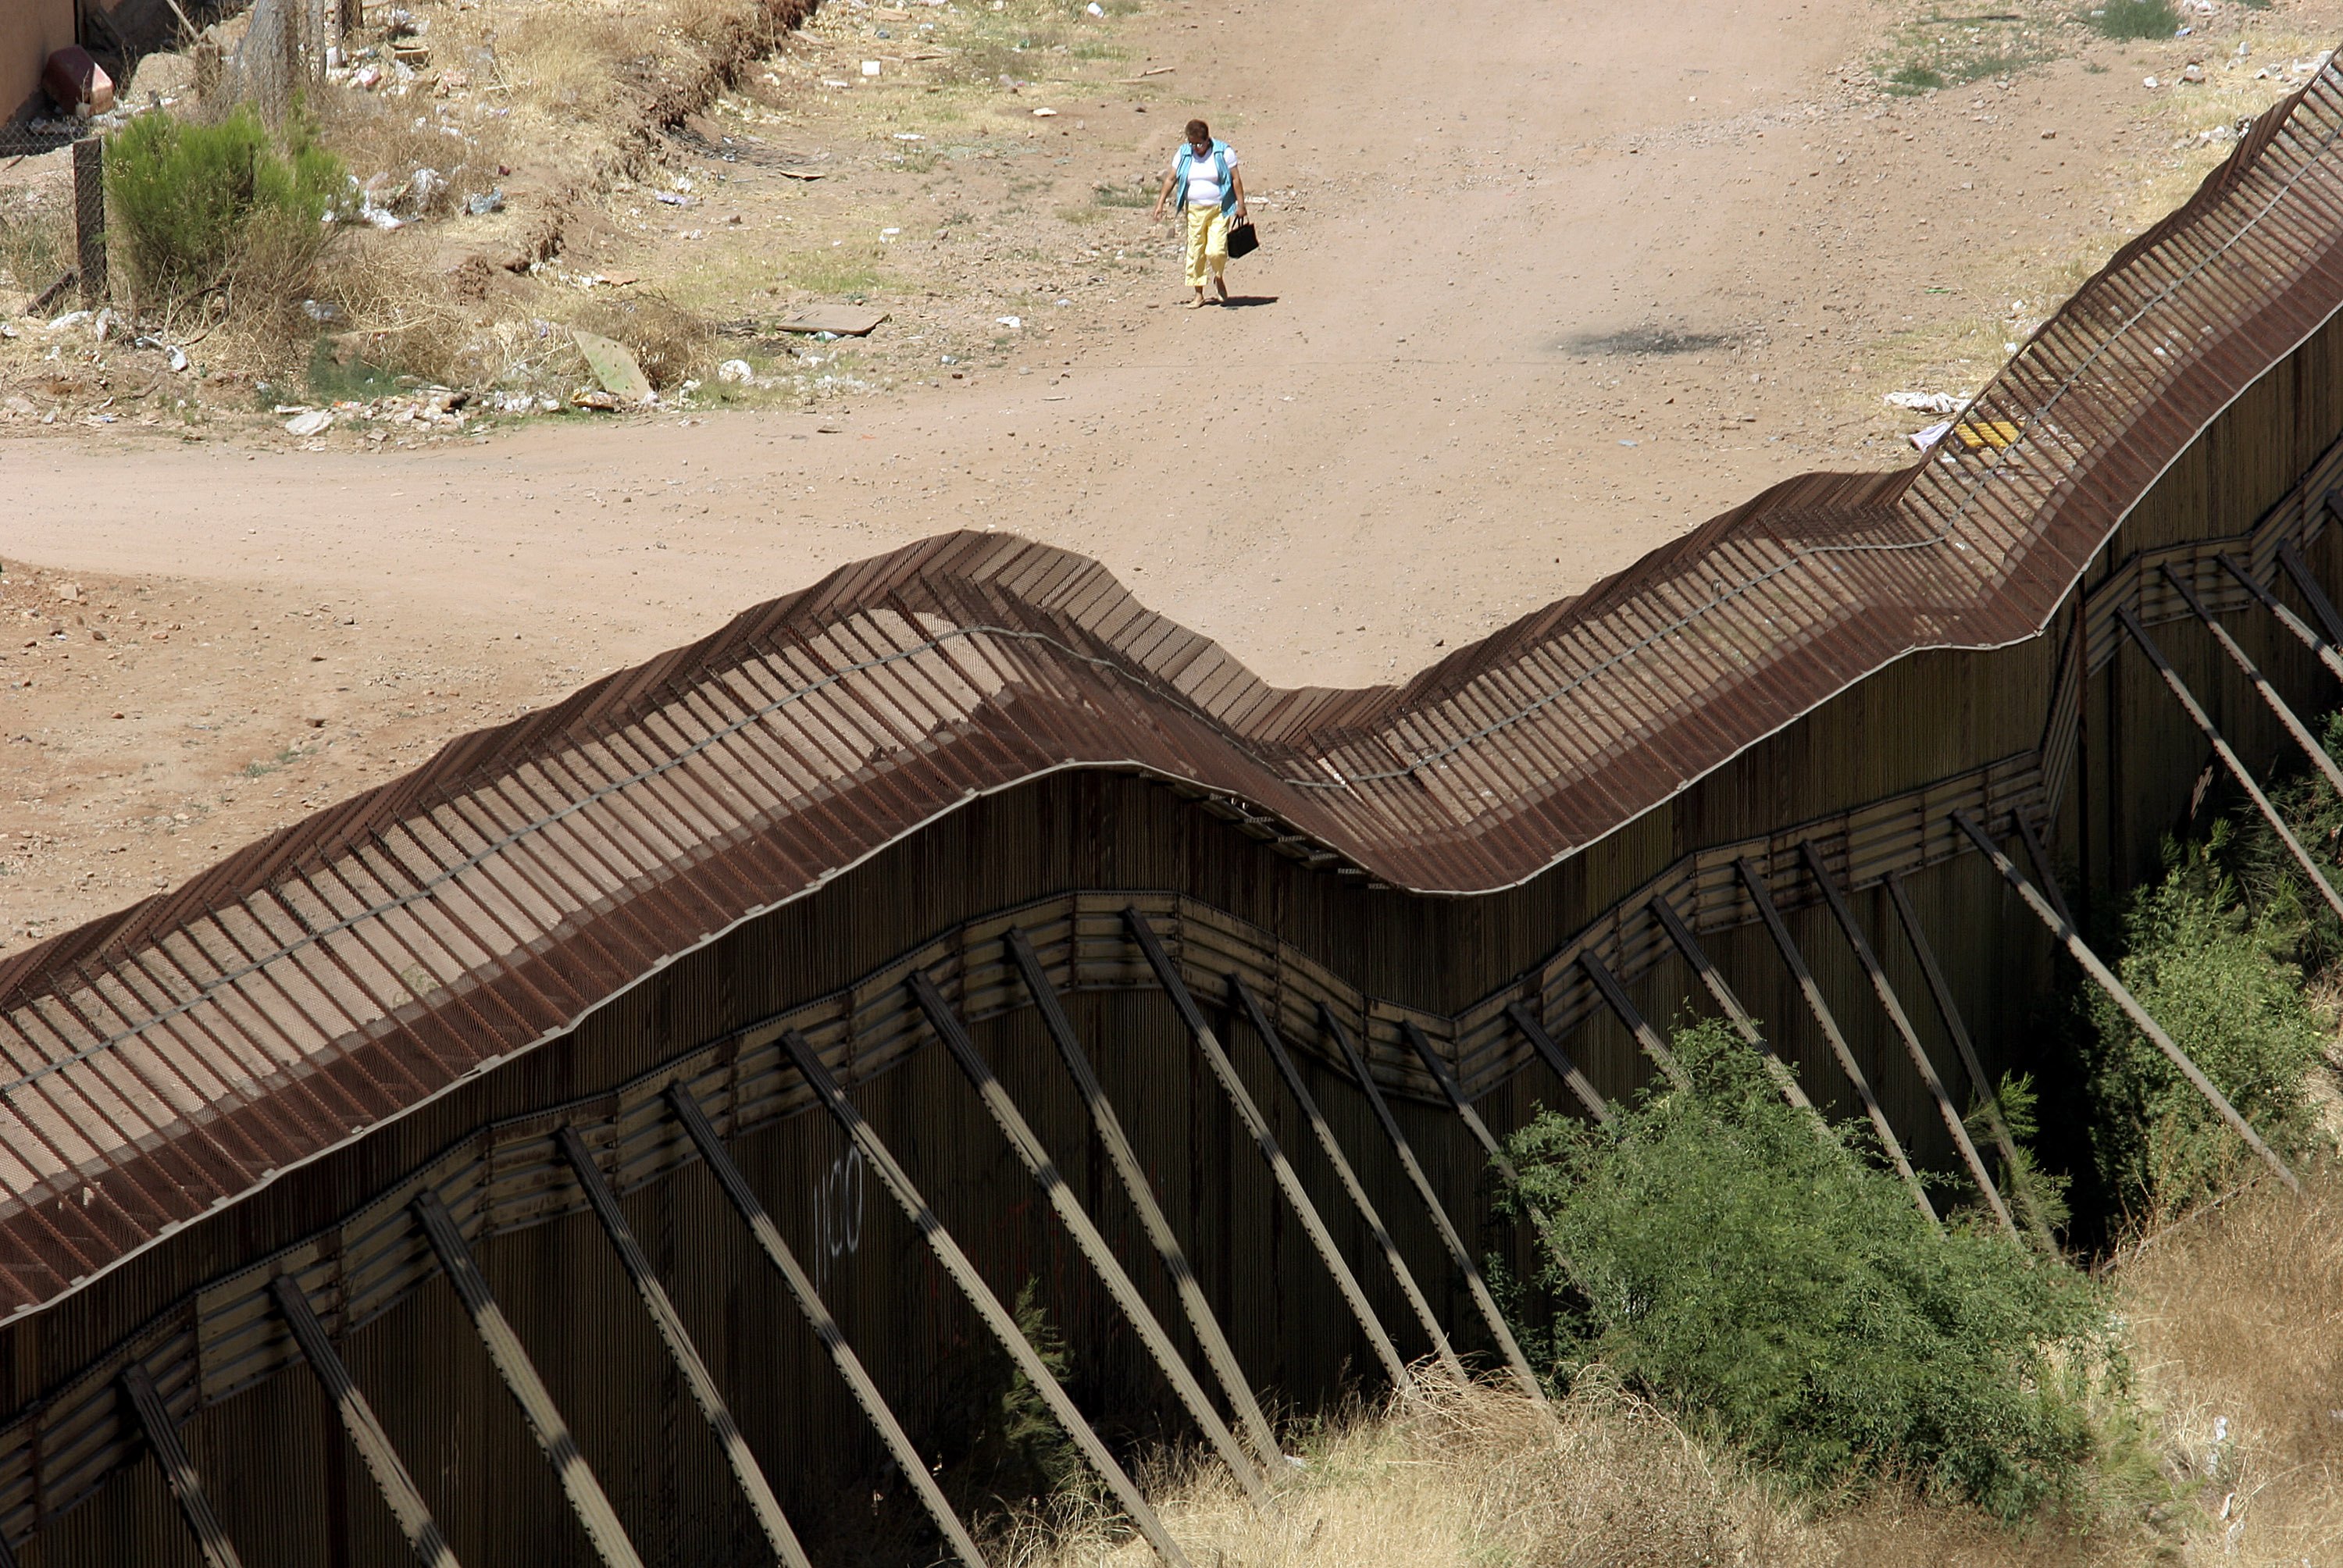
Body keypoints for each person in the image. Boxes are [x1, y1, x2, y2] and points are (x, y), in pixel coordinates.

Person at [1153, 119, 1247, 308]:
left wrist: (1241, 204)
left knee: (1217, 250)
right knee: (1196, 251)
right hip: (1195, 210)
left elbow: (1235, 179)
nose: (1196, 148)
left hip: (1219, 209)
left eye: (1199, 143)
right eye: (1192, 143)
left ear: (1207, 140)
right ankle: (1198, 294)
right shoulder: (1184, 153)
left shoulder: (1223, 152)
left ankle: (1218, 277)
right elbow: (1171, 179)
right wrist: (1160, 203)